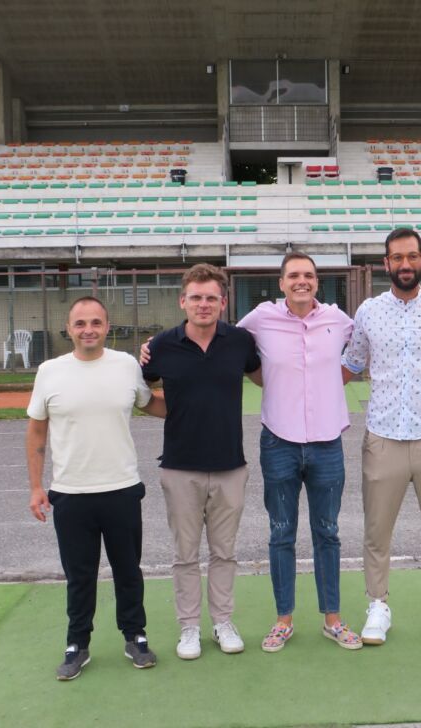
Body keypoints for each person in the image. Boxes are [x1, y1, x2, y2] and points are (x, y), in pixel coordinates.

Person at [341, 227, 421, 649]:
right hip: (382, 438)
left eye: (412, 256)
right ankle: (378, 604)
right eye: (397, 258)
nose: (405, 264)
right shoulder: (368, 312)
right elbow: (351, 363)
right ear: (386, 264)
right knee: (377, 531)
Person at [26, 296, 157, 681]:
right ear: (69, 328)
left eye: (96, 322)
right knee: (79, 575)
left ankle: (135, 635)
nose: (88, 330)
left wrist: (199, 403)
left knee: (127, 571)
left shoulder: (126, 365)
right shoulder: (50, 371)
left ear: (107, 326)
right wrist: (36, 487)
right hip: (70, 493)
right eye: (81, 323)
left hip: (122, 488)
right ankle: (76, 643)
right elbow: (36, 429)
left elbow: (150, 405)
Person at [237, 252, 362, 652]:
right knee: (281, 534)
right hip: (279, 442)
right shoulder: (259, 319)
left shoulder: (339, 321)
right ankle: (283, 620)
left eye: (308, 275)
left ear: (316, 282)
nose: (301, 281)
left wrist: (330, 382)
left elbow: (362, 354)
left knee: (327, 532)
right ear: (282, 283)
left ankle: (333, 619)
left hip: (327, 442)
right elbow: (225, 344)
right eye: (294, 275)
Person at [141, 263, 262, 661]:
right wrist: (173, 413)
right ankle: (189, 627)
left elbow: (262, 376)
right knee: (185, 555)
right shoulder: (159, 347)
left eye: (212, 297)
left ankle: (223, 621)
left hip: (230, 465)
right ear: (183, 301)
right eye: (196, 297)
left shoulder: (241, 342)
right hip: (180, 467)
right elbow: (140, 393)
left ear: (223, 303)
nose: (204, 304)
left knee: (224, 553)